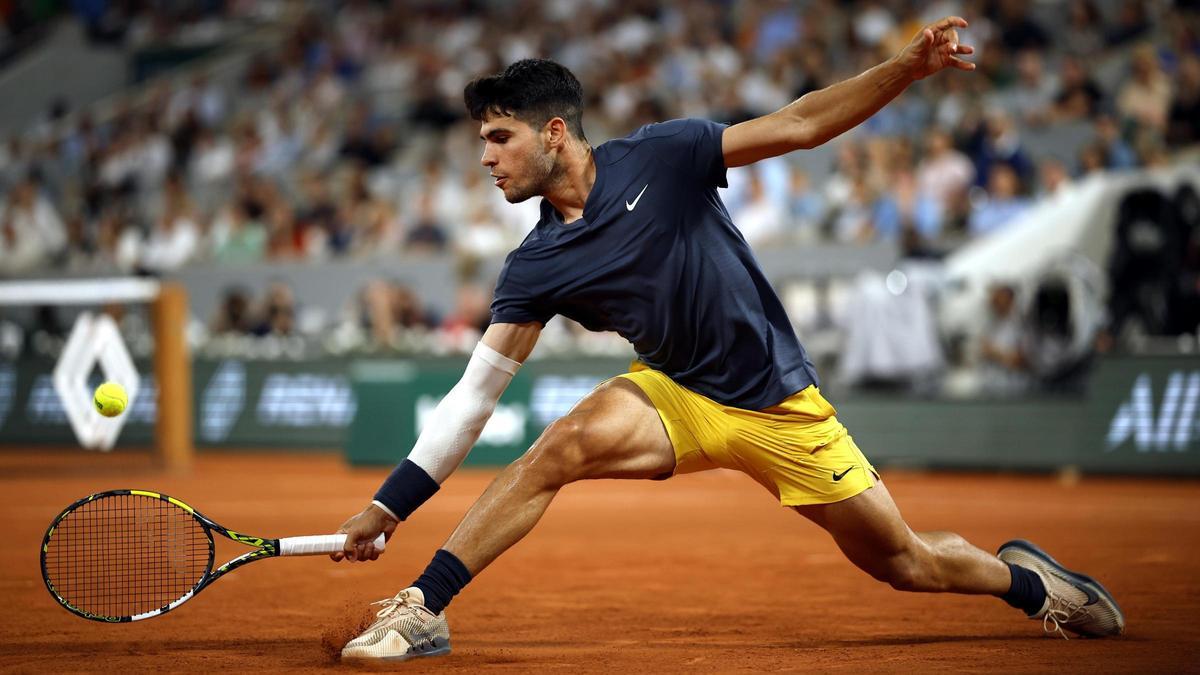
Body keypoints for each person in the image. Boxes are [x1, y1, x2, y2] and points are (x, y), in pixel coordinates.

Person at [333, 18, 1124, 662]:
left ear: (554, 132)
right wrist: (388, 504)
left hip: (779, 402)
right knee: (558, 447)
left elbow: (801, 123)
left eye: (499, 138)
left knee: (905, 562)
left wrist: (904, 69)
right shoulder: (534, 264)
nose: (485, 158)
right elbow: (474, 395)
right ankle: (424, 606)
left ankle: (1030, 584)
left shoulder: (663, 155)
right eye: (482, 141)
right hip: (675, 394)